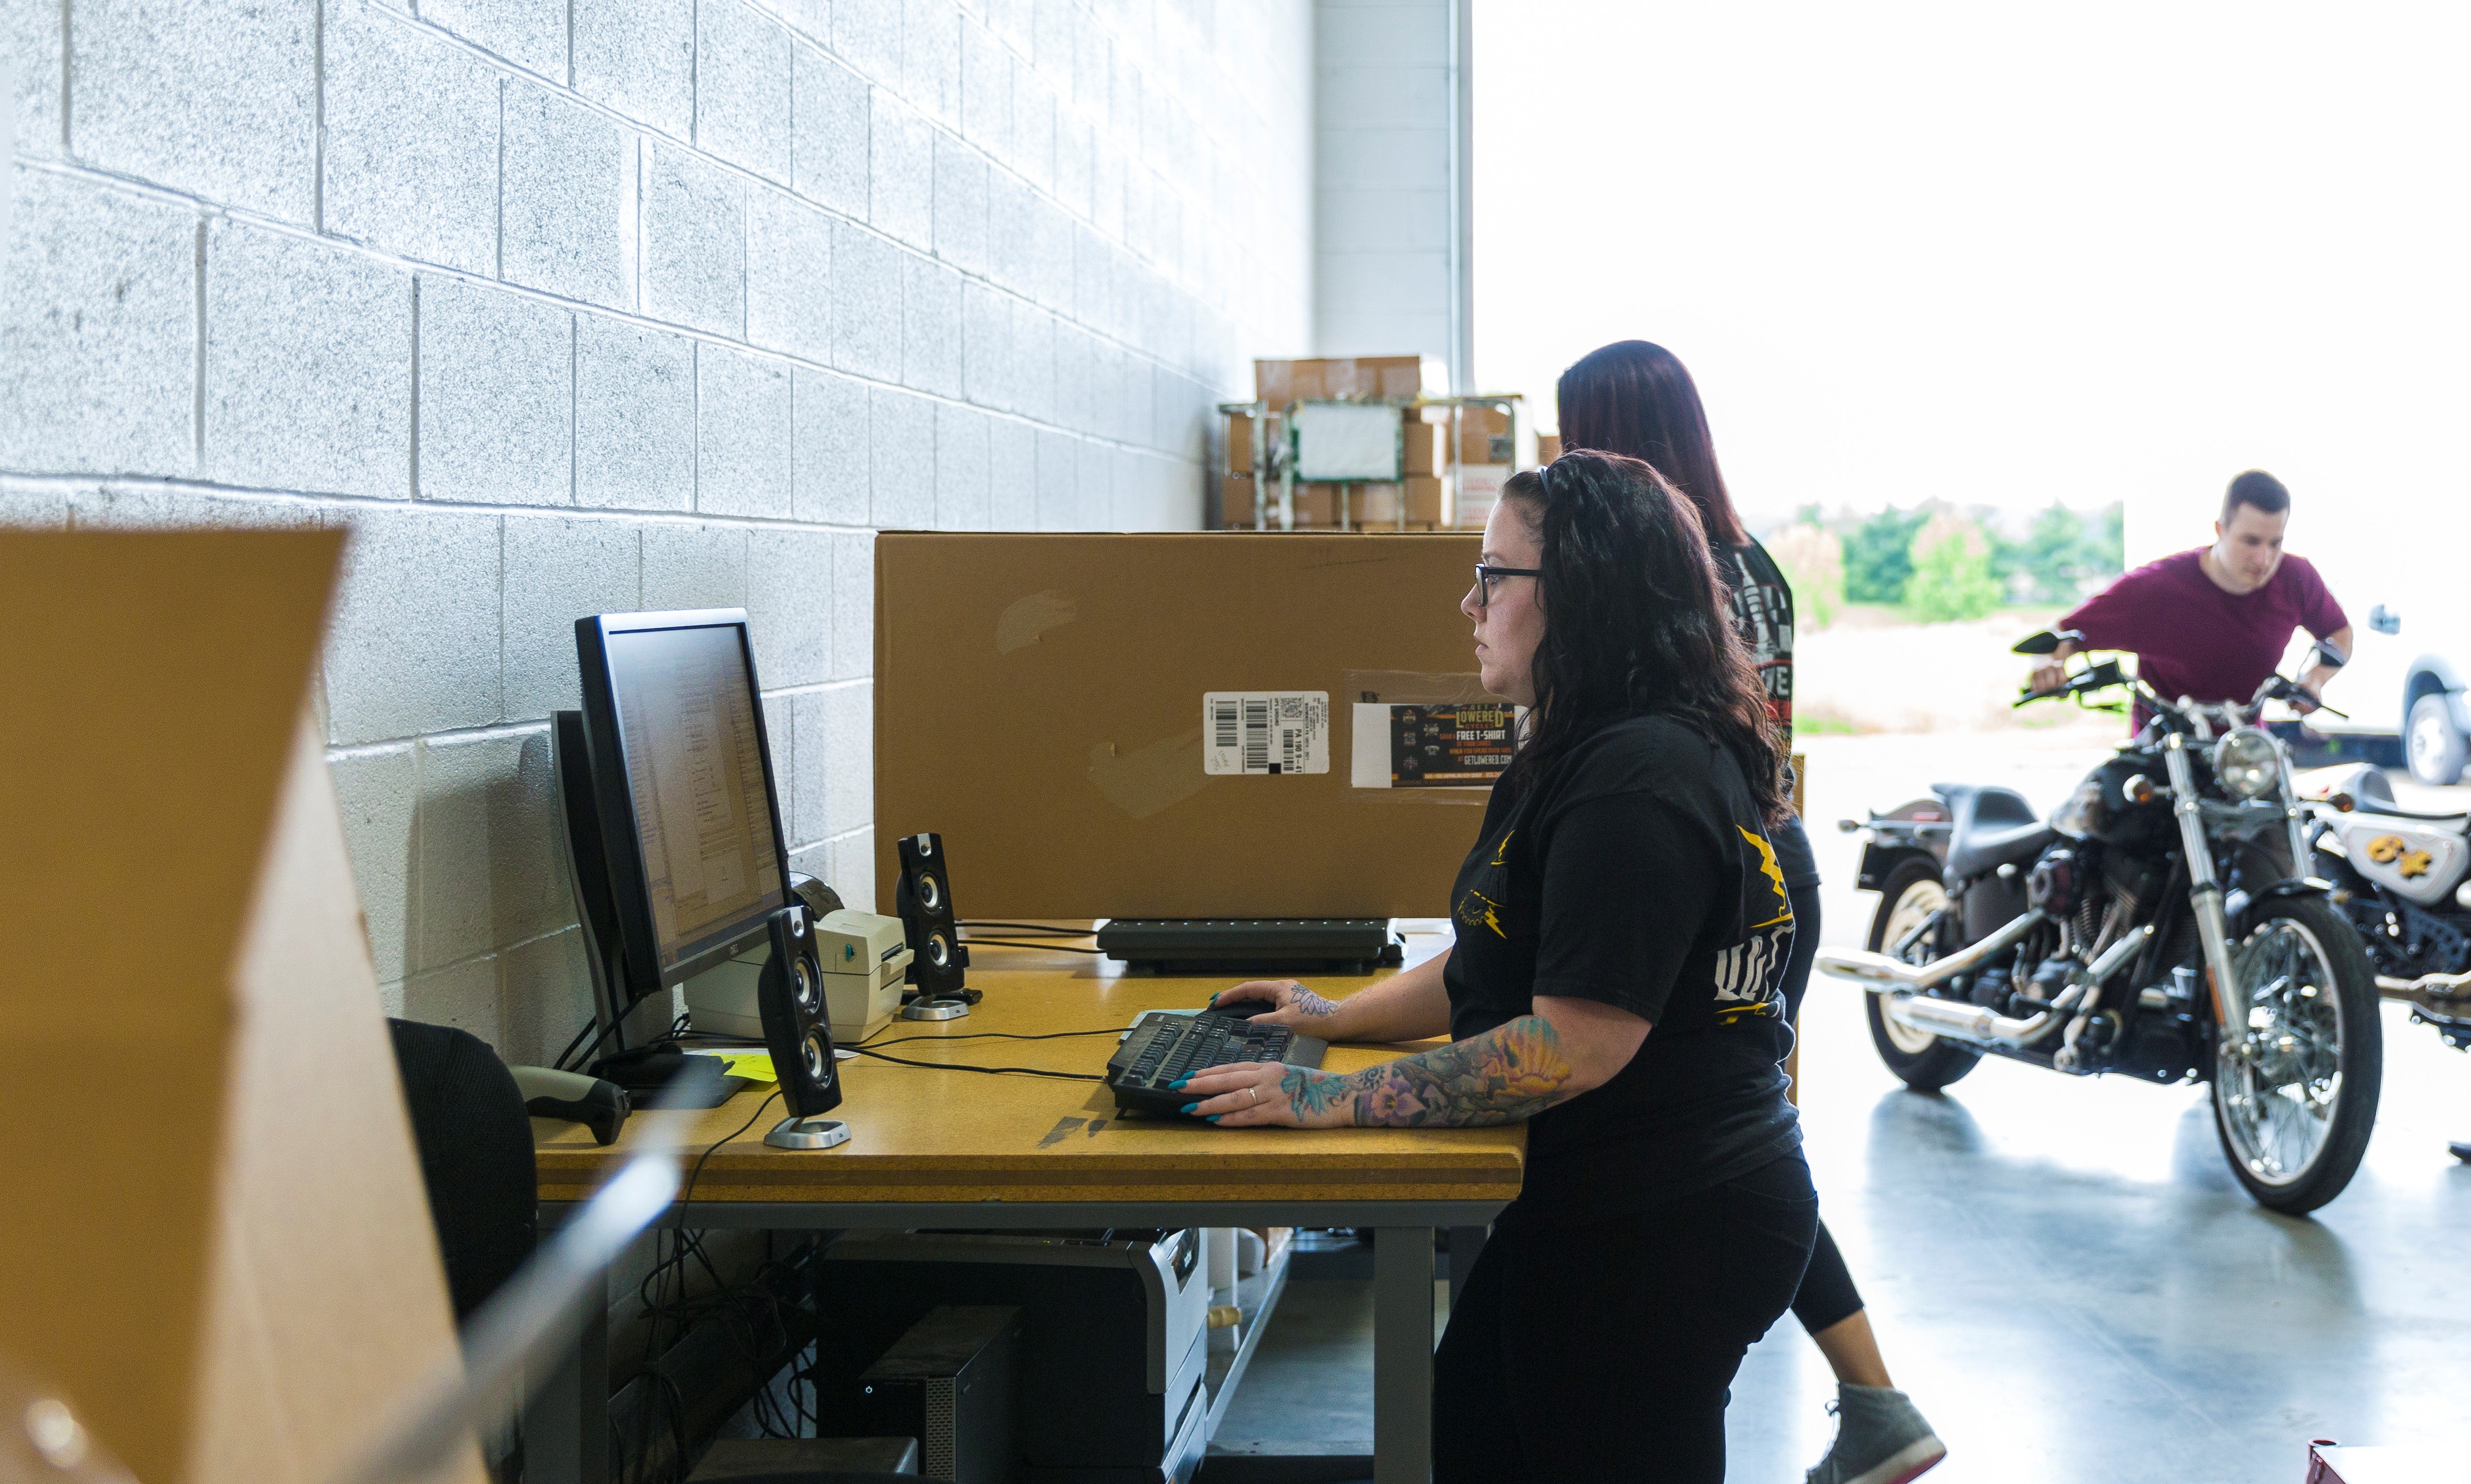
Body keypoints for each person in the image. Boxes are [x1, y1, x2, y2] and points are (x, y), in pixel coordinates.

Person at [1179, 452, 1818, 1482]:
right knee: (1474, 1431)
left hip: (1665, 1221)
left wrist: (1330, 1100)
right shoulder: (1579, 749)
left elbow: (1571, 1043)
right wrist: (1332, 1018)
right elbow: (1500, 959)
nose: (1467, 600)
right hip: (1606, 1200)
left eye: (1495, 575)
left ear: (1581, 596)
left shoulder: (1636, 783)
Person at [1557, 338, 1945, 1484]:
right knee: (1743, 1124)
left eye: (1574, 425)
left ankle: (1858, 1395)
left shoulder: (1646, 569)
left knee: (1717, 1141)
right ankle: (1873, 1394)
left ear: (1616, 429)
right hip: (1771, 865)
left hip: (1692, 872)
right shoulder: (1755, 564)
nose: (1561, 451)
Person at [2029, 470, 2351, 722]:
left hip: (2244, 746)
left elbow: (2339, 632)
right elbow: (2065, 632)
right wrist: (2049, 664)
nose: (2264, 560)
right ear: (2220, 530)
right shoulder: (2155, 589)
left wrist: (2315, 679)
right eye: (2251, 542)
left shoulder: (2296, 578)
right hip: (2163, 742)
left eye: (2275, 543)